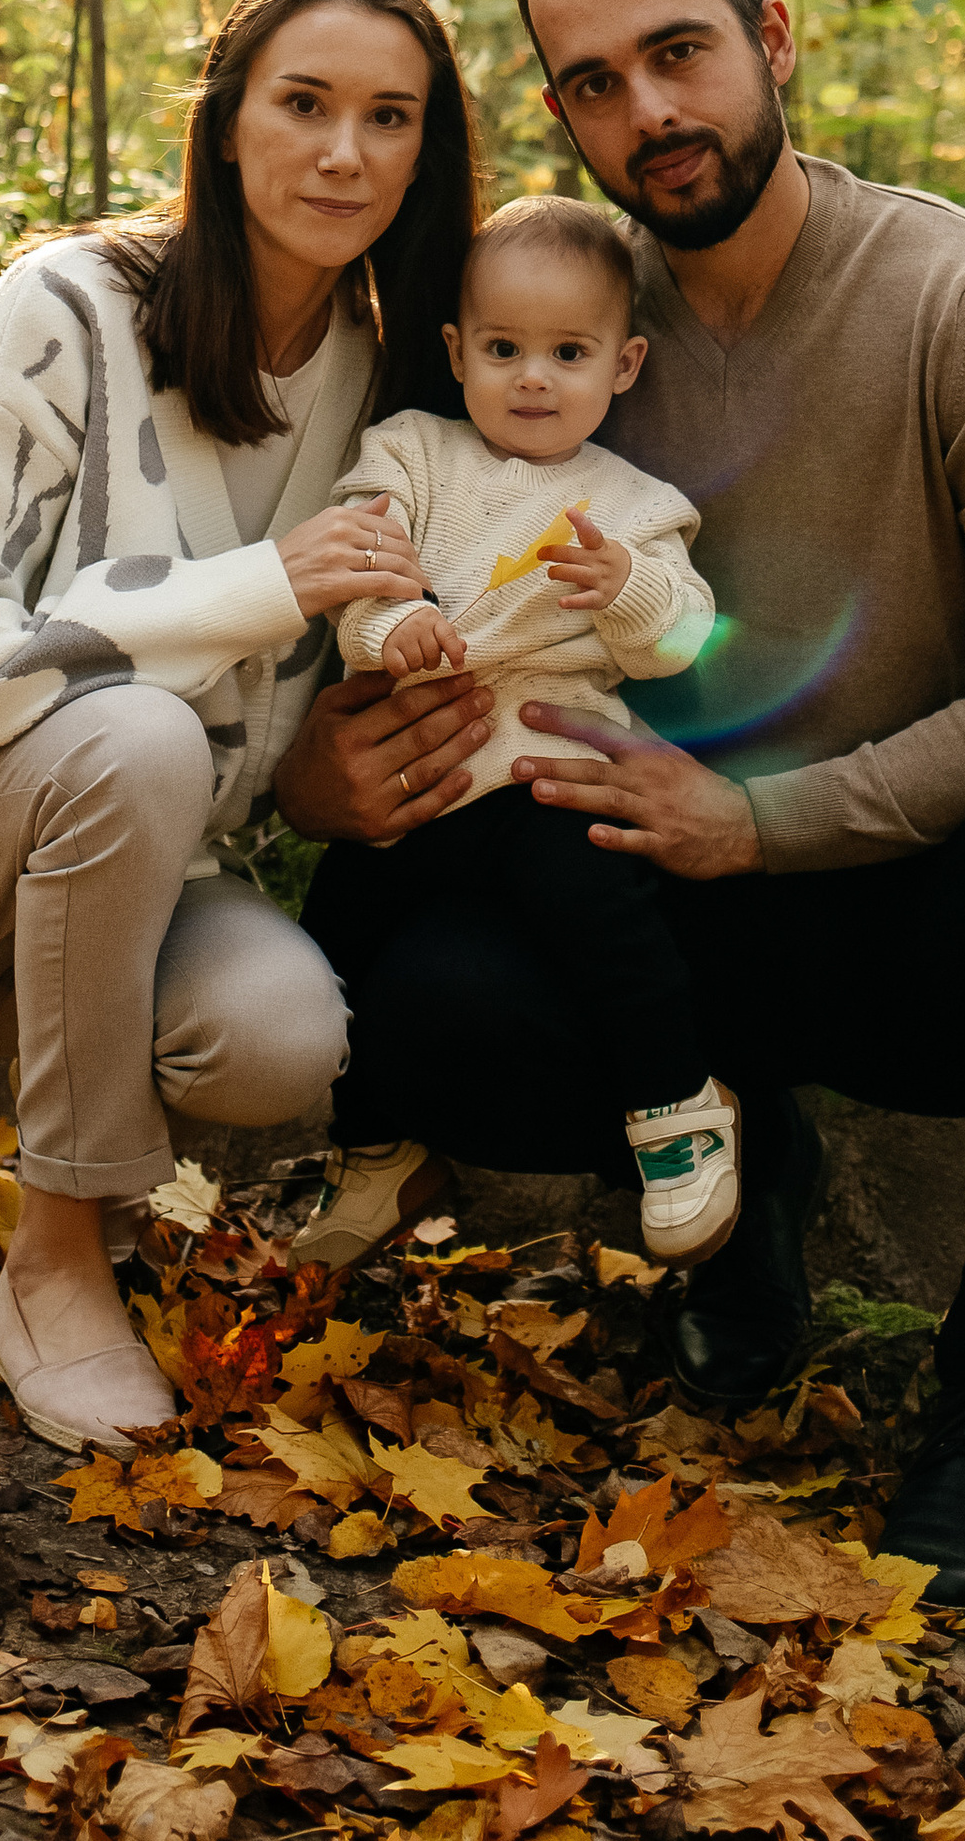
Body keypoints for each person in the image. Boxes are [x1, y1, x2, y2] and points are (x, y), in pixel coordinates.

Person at [283, 0, 965, 1604]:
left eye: (680, 52)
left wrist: (767, 817)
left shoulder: (962, 301)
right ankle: (748, 1179)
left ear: (770, 35)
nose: (648, 112)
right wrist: (310, 772)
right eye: (591, 80)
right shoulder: (551, 321)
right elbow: (360, 611)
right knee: (390, 984)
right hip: (651, 910)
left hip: (913, 894)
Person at [0, 0, 479, 1455]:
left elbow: (236, 767)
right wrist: (261, 582)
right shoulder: (64, 307)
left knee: (273, 1035)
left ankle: (89, 1187)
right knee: (128, 733)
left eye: (390, 117)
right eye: (305, 101)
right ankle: (59, 1255)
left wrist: (310, 782)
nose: (345, 150)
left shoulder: (388, 386)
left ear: (427, 150)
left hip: (120, 879)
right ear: (225, 120)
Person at [296, 196, 737, 1272]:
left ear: (622, 365)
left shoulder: (634, 506)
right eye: (503, 348)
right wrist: (393, 622)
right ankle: (372, 1148)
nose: (532, 376)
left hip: (553, 769)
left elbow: (683, 637)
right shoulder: (411, 454)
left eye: (567, 351)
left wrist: (627, 588)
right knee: (338, 921)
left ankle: (675, 1107)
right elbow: (360, 565)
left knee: (608, 918)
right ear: (456, 351)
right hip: (421, 780)